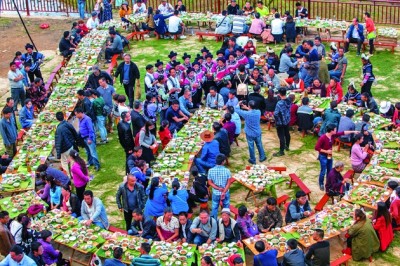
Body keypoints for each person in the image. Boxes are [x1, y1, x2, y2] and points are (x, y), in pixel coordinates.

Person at [208, 154, 232, 219]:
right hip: (225, 192)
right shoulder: (227, 171)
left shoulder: (210, 170)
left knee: (214, 207)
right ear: (223, 161)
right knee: (226, 206)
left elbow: (210, 182)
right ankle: (226, 219)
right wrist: (224, 192)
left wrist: (218, 188)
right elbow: (228, 183)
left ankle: (214, 221)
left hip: (216, 192)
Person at [274, 88, 291, 157]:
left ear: (279, 94)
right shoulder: (288, 100)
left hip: (280, 121)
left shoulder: (279, 103)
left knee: (281, 136)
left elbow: (276, 113)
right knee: (287, 133)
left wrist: (276, 120)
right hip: (287, 119)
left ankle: (281, 151)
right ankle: (287, 146)